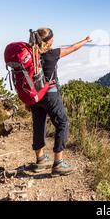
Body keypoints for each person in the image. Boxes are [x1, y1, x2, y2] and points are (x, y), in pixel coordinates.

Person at [29, 27, 91, 176]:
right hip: (50, 95)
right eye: (52, 39)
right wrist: (86, 40)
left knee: (38, 124)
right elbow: (73, 48)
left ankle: (40, 160)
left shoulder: (30, 55)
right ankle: (58, 163)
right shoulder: (53, 54)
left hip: (34, 96)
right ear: (49, 42)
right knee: (62, 123)